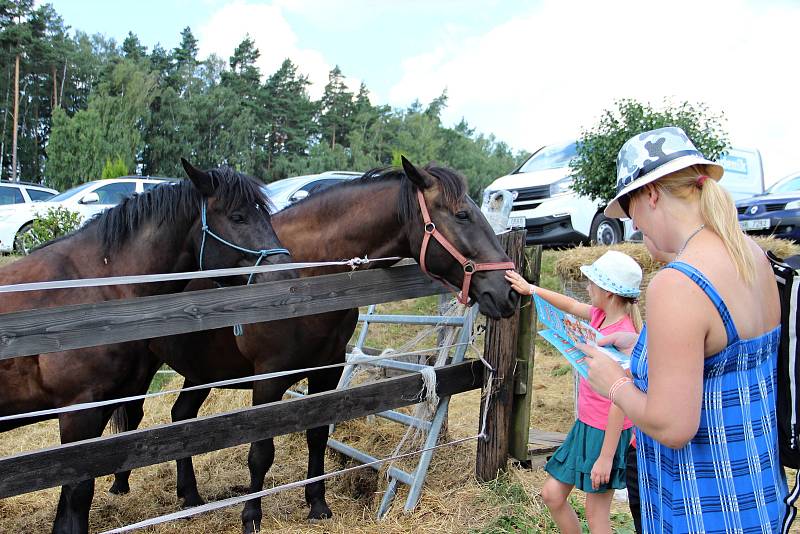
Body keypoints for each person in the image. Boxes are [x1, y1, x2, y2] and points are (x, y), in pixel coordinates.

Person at [581, 126, 789, 533]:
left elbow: (674, 426)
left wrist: (614, 385)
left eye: (631, 211)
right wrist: (643, 344)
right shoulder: (754, 257)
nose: (636, 226)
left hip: (702, 509)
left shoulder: (677, 283)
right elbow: (723, 362)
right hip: (759, 502)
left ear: (651, 194)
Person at [506, 250, 643, 534]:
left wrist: (606, 457)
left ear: (609, 291)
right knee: (552, 495)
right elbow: (569, 305)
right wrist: (531, 289)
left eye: (592, 282)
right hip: (585, 426)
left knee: (597, 518)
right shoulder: (599, 315)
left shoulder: (625, 337)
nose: (588, 287)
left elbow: (620, 401)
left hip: (607, 433)